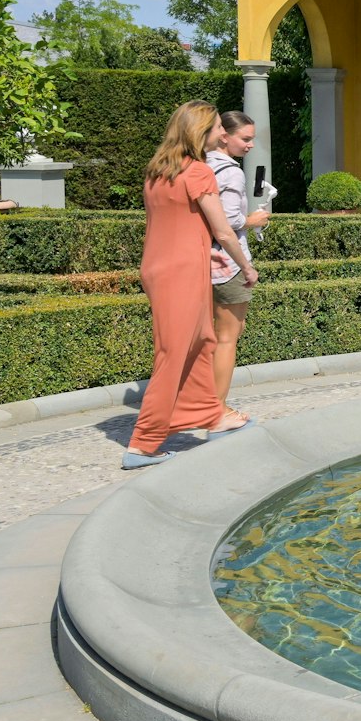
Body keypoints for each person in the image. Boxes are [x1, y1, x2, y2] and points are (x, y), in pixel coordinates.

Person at [124, 101, 257, 469]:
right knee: (173, 352)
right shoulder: (199, 172)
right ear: (200, 132)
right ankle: (144, 444)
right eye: (216, 128)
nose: (220, 133)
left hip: (163, 266)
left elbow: (174, 223)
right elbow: (223, 230)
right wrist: (245, 266)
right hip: (182, 272)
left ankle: (211, 415)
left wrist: (203, 253)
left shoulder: (158, 171)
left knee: (203, 340)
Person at [207, 110, 272, 405]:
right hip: (227, 263)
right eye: (244, 139)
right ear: (225, 136)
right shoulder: (231, 171)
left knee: (214, 335)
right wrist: (254, 220)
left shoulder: (199, 165)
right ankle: (216, 408)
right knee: (228, 337)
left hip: (201, 260)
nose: (249, 146)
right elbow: (229, 222)